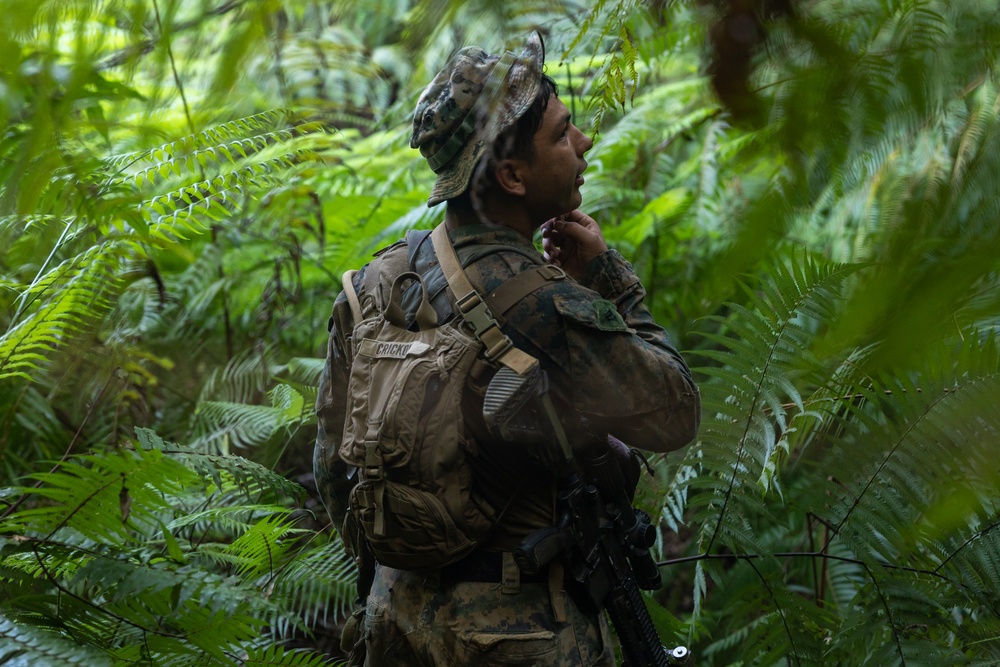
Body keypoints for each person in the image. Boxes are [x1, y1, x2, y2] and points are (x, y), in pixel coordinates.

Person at [314, 32, 700, 666]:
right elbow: (675, 410)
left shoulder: (372, 287)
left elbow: (335, 473)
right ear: (512, 175)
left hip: (394, 626)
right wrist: (608, 279)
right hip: (522, 638)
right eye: (562, 134)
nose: (584, 145)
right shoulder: (548, 304)